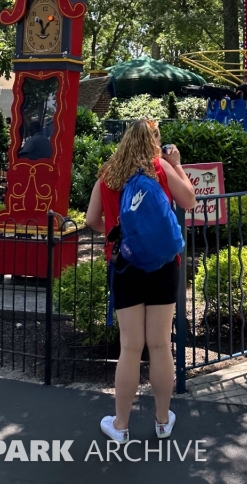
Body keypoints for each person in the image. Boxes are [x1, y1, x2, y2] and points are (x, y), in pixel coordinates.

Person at [85, 120, 195, 444]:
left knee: (130, 347)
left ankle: (120, 425)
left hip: (125, 266)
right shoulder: (159, 167)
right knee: (160, 344)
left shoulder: (108, 174)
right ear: (154, 142)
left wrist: (118, 231)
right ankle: (162, 421)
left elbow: (92, 220)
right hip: (163, 266)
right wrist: (177, 164)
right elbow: (188, 200)